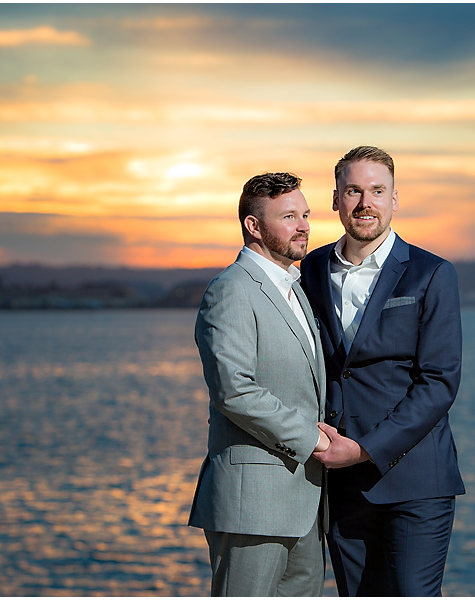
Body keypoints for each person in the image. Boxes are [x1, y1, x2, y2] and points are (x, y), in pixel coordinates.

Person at [300, 146, 464, 596]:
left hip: (415, 480)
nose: (364, 202)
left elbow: (439, 383)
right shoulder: (312, 268)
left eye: (377, 190)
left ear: (395, 199)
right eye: (353, 190)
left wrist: (366, 449)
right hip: (341, 483)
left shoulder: (431, 274)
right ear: (335, 199)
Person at [189, 172, 330, 597]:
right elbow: (234, 391)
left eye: (305, 214)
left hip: (305, 499)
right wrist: (316, 441)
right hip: (252, 504)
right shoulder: (230, 290)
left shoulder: (296, 290)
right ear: (253, 226)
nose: (304, 225)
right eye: (289, 216)